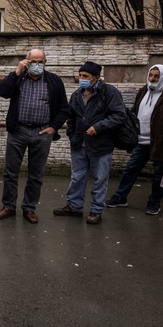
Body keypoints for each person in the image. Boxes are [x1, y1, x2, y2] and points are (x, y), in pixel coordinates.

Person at [0, 49, 69, 224]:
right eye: (33, 61)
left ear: (45, 62)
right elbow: (2, 91)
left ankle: (29, 208)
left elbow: (64, 108)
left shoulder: (54, 81)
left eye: (40, 62)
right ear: (26, 62)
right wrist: (16, 72)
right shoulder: (19, 78)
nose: (37, 65)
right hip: (18, 131)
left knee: (36, 175)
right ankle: (9, 206)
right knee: (11, 172)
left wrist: (53, 127)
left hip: (41, 133)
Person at [105, 65, 163, 214]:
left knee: (158, 176)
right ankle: (120, 197)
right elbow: (134, 114)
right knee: (130, 170)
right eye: (151, 75)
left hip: (161, 144)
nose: (152, 79)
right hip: (140, 142)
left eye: (156, 76)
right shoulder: (143, 91)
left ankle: (154, 203)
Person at [53, 61, 126, 224]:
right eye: (80, 75)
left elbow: (119, 116)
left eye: (85, 76)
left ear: (96, 78)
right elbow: (70, 117)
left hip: (101, 144)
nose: (81, 79)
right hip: (79, 143)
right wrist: (72, 135)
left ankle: (96, 210)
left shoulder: (109, 92)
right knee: (77, 177)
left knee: (100, 179)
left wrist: (98, 127)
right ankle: (74, 206)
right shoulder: (77, 95)